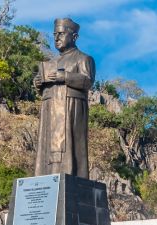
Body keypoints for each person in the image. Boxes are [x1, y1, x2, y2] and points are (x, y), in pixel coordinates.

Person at [33, 18, 95, 178]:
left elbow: (87, 81)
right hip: (50, 108)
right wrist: (38, 83)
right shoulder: (51, 62)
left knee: (68, 149)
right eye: (55, 34)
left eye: (61, 34)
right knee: (46, 148)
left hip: (71, 107)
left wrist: (65, 76)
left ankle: (72, 176)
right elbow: (45, 89)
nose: (56, 38)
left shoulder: (83, 58)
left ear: (74, 37)